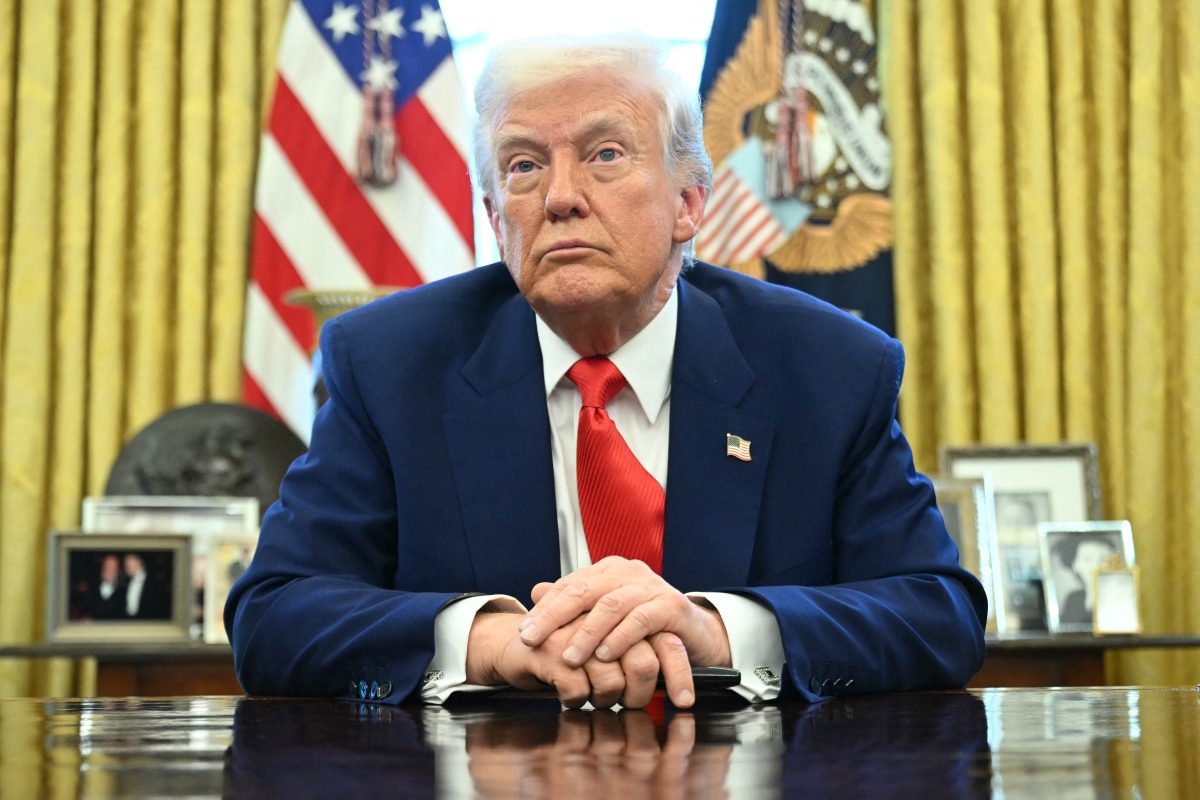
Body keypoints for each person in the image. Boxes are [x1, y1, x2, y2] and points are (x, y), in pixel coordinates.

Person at [225, 32, 986, 710]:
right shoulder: (390, 364)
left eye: (605, 154)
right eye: (523, 165)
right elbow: (276, 614)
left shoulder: (828, 367)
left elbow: (936, 613)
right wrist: (493, 643)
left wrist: (716, 631)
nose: (559, 198)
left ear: (690, 202)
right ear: (495, 220)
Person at [1053, 537, 1118, 625]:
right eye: (1088, 559)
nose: (1096, 566)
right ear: (1075, 565)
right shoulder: (1074, 599)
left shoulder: (1121, 599)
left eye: (1104, 559)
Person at [80, 553, 127, 621]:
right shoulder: (92, 587)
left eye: (113, 567)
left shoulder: (124, 590)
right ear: (102, 567)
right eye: (107, 566)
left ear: (118, 570)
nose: (109, 569)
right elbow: (84, 609)